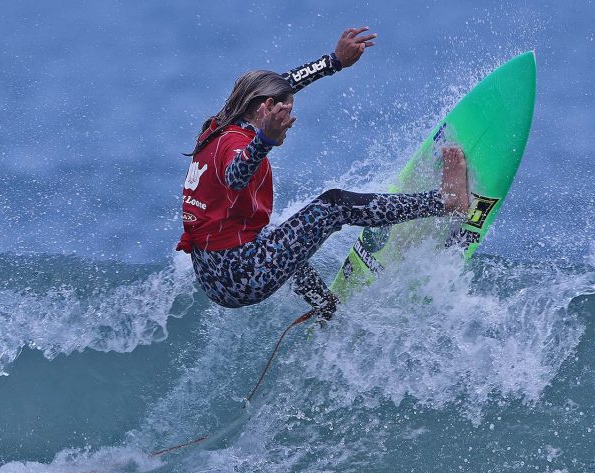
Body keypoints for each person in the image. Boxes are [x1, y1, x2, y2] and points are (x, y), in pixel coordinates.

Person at [176, 27, 469, 321]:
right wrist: (264, 140)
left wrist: (334, 61)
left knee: (286, 235)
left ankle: (324, 305)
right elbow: (235, 177)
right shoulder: (238, 142)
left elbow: (281, 85)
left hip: (213, 275)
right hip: (240, 277)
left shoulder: (219, 126)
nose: (289, 122)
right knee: (334, 205)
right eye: (286, 113)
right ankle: (445, 201)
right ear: (266, 108)